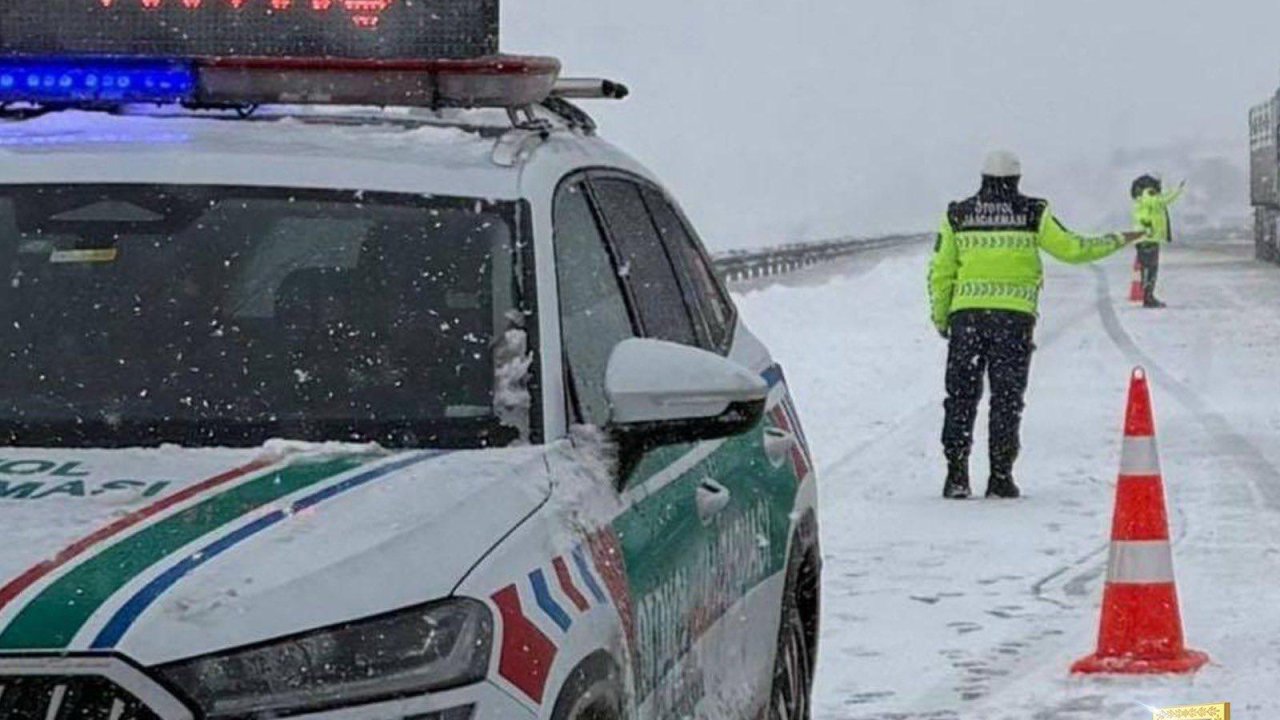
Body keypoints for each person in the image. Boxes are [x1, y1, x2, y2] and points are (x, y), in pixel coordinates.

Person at [928, 151, 1146, 500]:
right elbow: (1073, 249)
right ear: (1017, 180)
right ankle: (1000, 477)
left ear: (982, 178)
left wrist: (941, 317)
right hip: (1013, 321)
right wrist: (1118, 239)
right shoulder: (1033, 212)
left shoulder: (958, 214)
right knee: (1007, 399)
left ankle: (956, 475)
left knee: (961, 397)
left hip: (966, 319)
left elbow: (941, 272)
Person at [1130, 174, 1186, 308]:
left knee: (1146, 268)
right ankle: (1148, 298)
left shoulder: (1141, 198)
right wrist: (1178, 190)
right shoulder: (1148, 195)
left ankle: (1147, 296)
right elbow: (1162, 201)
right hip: (1149, 238)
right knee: (1151, 268)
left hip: (1144, 238)